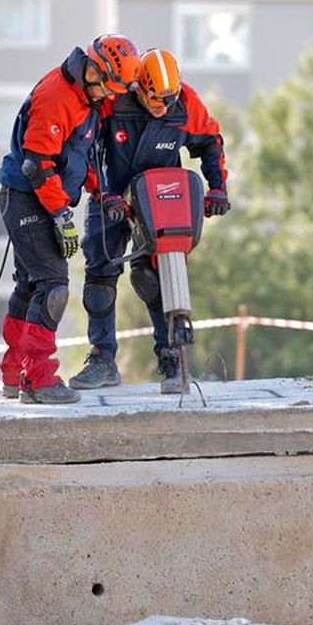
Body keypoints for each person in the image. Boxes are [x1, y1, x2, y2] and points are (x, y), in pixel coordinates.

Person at [70, 47, 230, 394]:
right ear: (139, 88)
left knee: (156, 275)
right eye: (157, 101)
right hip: (111, 198)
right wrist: (103, 193)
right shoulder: (114, 103)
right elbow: (89, 150)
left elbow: (210, 141)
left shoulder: (184, 103)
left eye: (168, 102)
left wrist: (217, 187)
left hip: (160, 195)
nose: (163, 109)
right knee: (100, 278)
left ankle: (172, 358)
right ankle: (102, 359)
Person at [0, 34, 142, 404]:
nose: (111, 96)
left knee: (30, 285)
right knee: (54, 286)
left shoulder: (87, 98)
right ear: (94, 71)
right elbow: (38, 166)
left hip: (45, 199)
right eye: (109, 87)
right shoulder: (56, 97)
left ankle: (15, 373)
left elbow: (81, 156)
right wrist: (62, 215)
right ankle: (39, 380)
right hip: (27, 198)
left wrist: (102, 191)